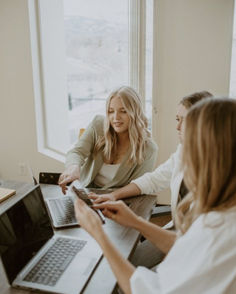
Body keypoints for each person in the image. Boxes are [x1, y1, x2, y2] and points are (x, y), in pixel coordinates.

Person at [75, 98, 236, 294]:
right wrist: (134, 220)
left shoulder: (222, 232)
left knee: (110, 277)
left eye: (193, 149)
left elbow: (148, 290)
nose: (186, 159)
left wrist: (98, 233)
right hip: (175, 235)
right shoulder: (220, 212)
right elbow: (185, 247)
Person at [89, 90, 213, 268]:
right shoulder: (184, 150)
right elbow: (155, 179)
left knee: (128, 271)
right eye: (177, 119)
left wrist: (134, 222)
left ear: (204, 122)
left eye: (185, 120)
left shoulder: (217, 170)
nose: (178, 127)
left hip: (195, 247)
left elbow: (195, 241)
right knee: (125, 262)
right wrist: (114, 195)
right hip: (178, 231)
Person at [59, 86, 157, 194]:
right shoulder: (98, 125)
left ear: (135, 112)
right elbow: (77, 152)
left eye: (123, 111)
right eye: (111, 111)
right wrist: (73, 168)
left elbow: (138, 186)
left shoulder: (148, 149)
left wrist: (108, 198)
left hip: (119, 202)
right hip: (84, 194)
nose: (116, 117)